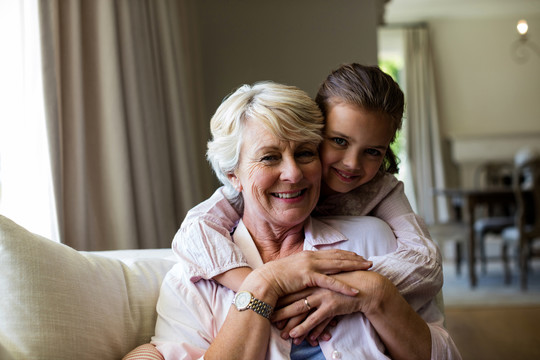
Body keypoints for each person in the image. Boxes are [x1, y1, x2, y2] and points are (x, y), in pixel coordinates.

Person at [151, 82, 461, 359]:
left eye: (304, 153)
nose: (294, 173)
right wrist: (264, 283)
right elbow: (195, 228)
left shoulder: (376, 240)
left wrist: (375, 292)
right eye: (270, 157)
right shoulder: (191, 281)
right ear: (233, 175)